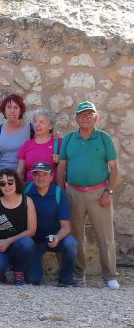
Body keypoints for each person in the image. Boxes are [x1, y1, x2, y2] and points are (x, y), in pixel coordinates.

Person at [57, 101, 120, 290]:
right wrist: (61, 192)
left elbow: (114, 168)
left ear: (96, 117)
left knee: (105, 236)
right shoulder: (69, 139)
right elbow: (61, 167)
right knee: (75, 236)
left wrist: (109, 191)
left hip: (99, 192)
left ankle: (109, 276)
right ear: (76, 118)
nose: (85, 117)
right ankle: (78, 275)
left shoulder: (103, 138)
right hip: (74, 192)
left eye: (89, 114)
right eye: (81, 114)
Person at [23, 162, 77, 286]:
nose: (40, 178)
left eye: (44, 174)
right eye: (36, 174)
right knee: (32, 281)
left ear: (51, 177)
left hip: (53, 237)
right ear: (32, 176)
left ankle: (66, 277)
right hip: (33, 240)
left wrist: (57, 237)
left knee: (71, 243)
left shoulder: (59, 193)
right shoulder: (25, 189)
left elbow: (66, 227)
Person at [17, 109, 61, 183]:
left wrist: (61, 160)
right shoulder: (27, 145)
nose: (37, 125)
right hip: (30, 188)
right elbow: (20, 172)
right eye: (35, 121)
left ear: (50, 126)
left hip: (51, 188)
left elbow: (69, 167)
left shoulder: (59, 142)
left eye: (41, 122)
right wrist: (20, 188)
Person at [0, 94, 33, 172]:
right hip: (2, 174)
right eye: (9, 107)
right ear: (4, 110)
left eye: (15, 107)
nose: (12, 111)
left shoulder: (30, 128)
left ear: (20, 111)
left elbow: (44, 138)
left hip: (22, 175)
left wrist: (55, 136)